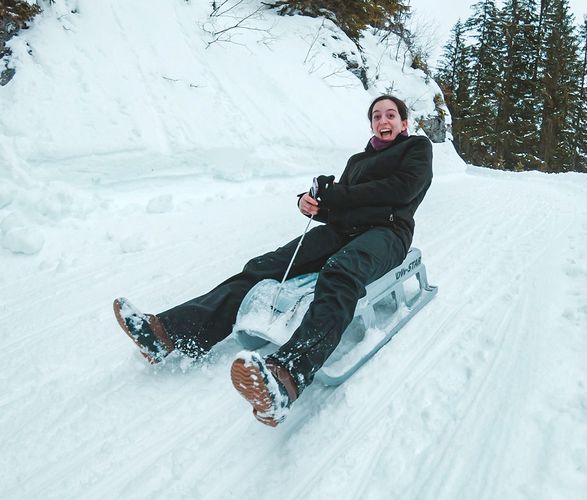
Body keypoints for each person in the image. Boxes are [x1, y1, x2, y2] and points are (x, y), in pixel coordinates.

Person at [112, 95, 433, 427]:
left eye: (391, 115)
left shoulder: (417, 149)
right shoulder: (356, 161)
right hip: (343, 230)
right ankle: (168, 333)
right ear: (371, 125)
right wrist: (314, 206)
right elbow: (343, 206)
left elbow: (400, 190)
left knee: (339, 273)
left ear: (403, 123)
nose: (384, 120)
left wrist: (336, 195)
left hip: (387, 233)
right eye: (377, 116)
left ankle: (288, 375)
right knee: (266, 265)